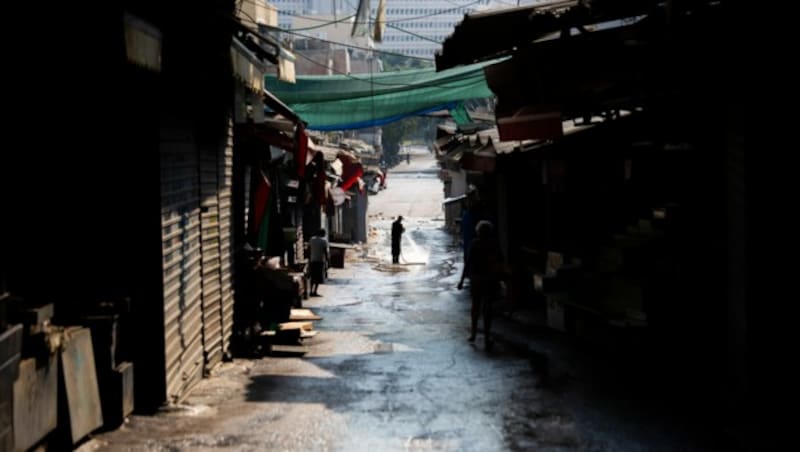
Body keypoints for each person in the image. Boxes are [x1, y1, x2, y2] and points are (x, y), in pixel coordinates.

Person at [457, 220, 506, 350]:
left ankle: (473, 334)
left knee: (475, 307)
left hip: (477, 280)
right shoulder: (493, 244)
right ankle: (486, 336)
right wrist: (502, 278)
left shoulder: (474, 244)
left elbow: (467, 263)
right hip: (490, 280)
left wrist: (462, 280)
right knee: (487, 308)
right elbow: (500, 262)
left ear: (478, 232)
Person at [308, 229, 329, 296]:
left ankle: (311, 291)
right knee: (318, 277)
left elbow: (308, 249)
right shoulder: (324, 241)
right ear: (323, 234)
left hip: (312, 260)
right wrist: (328, 261)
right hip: (320, 261)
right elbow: (325, 252)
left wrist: (308, 259)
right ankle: (315, 292)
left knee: (312, 276)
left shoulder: (312, 239)